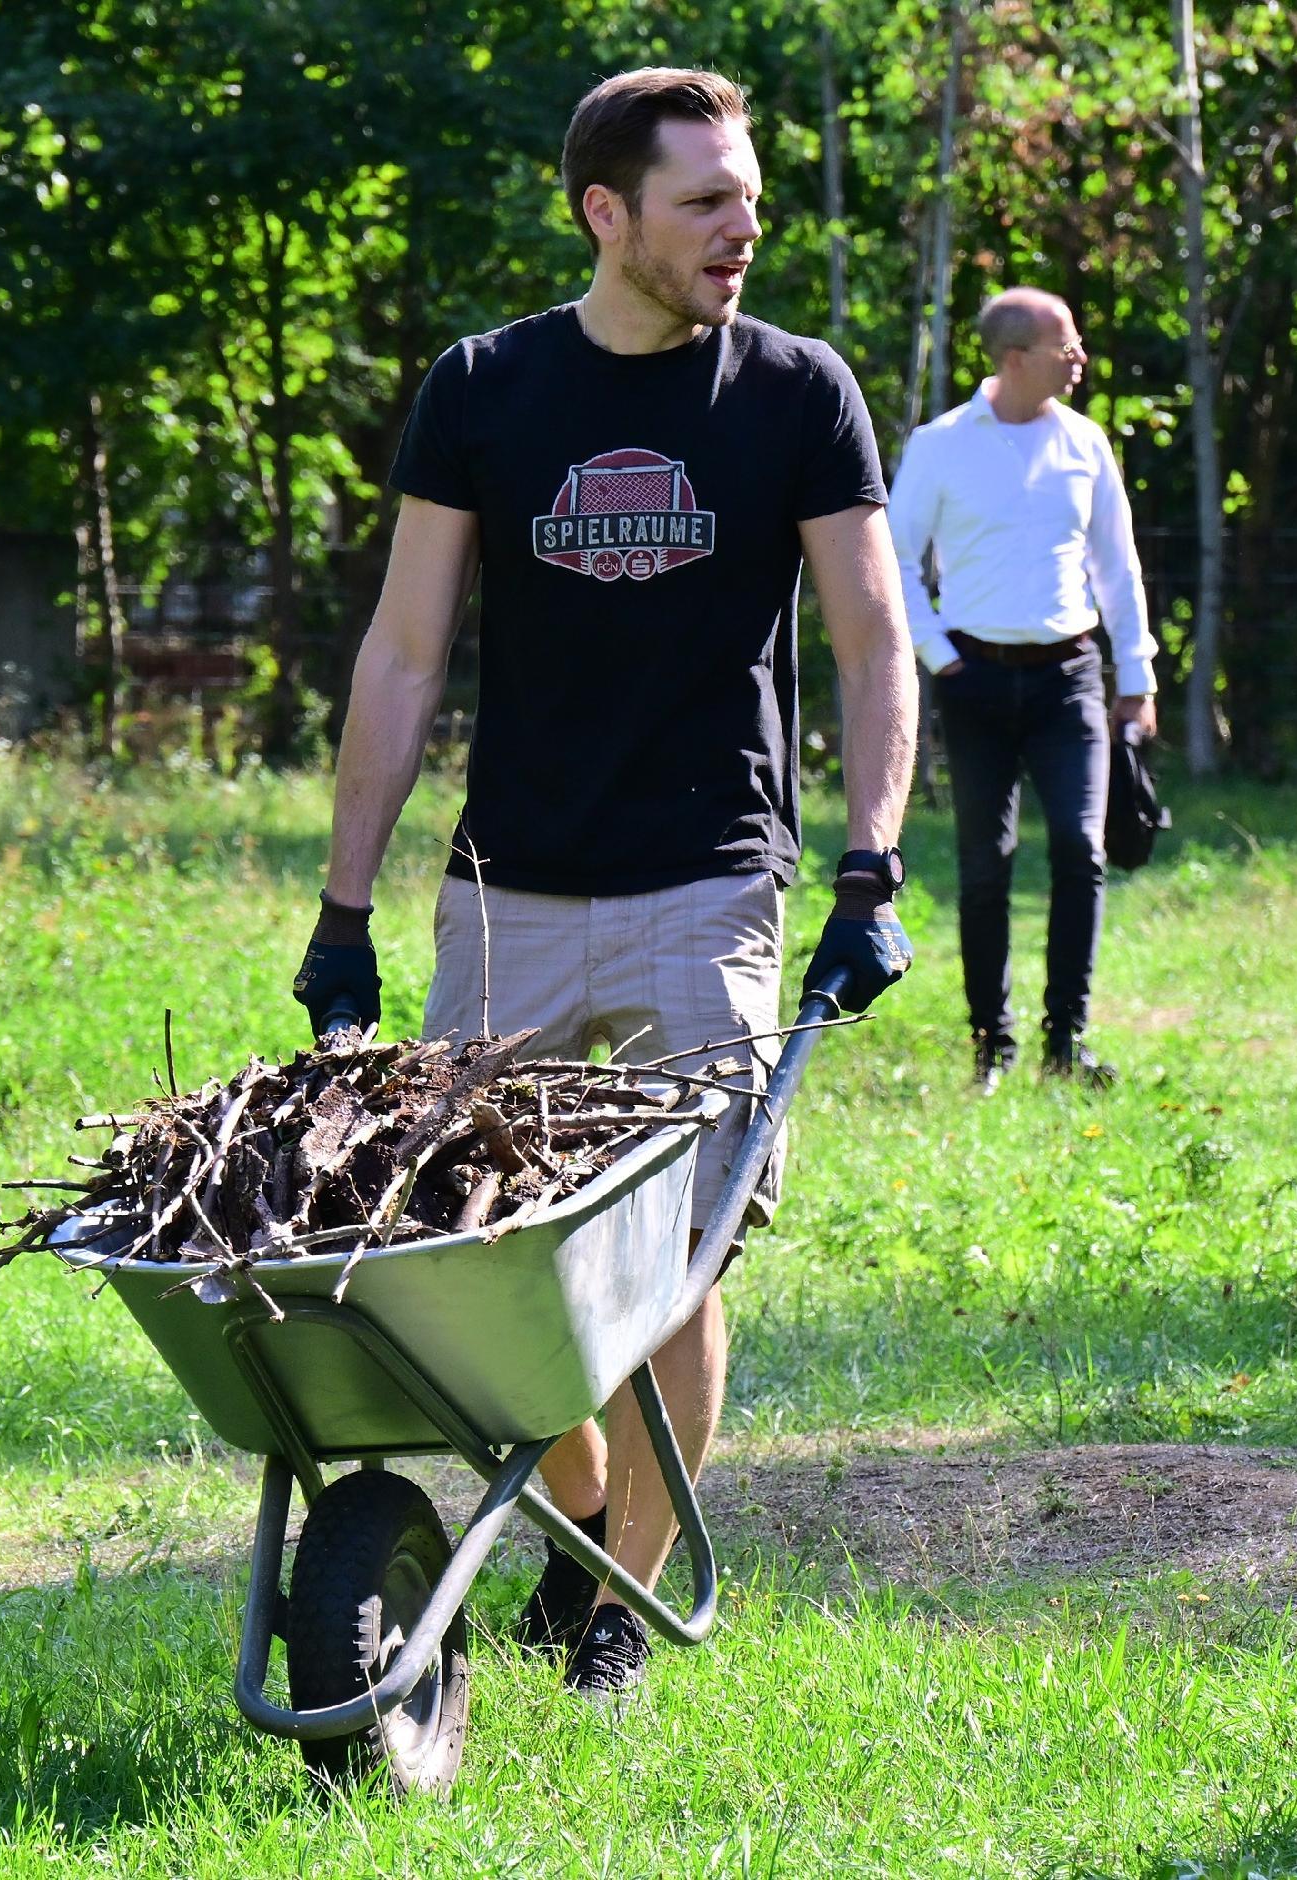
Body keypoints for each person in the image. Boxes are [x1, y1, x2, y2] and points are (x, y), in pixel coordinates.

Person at [287, 67, 918, 1699]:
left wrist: (870, 864)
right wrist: (345, 911)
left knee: (682, 1251)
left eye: (750, 196)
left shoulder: (796, 391)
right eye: (705, 200)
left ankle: (614, 1610)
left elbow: (869, 637)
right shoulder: (487, 390)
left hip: (708, 883)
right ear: (606, 215)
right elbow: (407, 651)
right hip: (509, 896)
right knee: (496, 1251)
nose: (743, 226)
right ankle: (575, 1529)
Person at [887, 288, 1160, 1095]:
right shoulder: (940, 448)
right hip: (973, 681)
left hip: (1069, 678)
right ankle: (990, 1047)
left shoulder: (1086, 443)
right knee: (984, 865)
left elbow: (1118, 567)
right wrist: (939, 656)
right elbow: (895, 559)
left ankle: (1064, 1042)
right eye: (1065, 345)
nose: (1079, 357)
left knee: (1081, 849)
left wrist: (1136, 677)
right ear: (1015, 358)